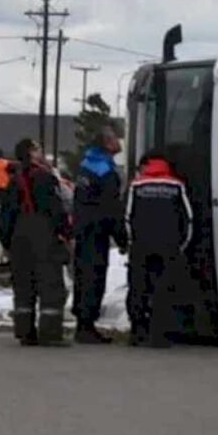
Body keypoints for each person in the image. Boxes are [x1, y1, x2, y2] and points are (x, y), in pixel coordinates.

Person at [0, 138, 71, 347]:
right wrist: (65, 233)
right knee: (50, 287)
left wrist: (6, 242)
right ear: (31, 153)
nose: (41, 152)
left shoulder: (14, 180)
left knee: (23, 287)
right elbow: (56, 209)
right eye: (38, 149)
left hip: (19, 239)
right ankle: (50, 333)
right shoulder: (46, 178)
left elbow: (6, 216)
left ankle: (24, 331)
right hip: (43, 238)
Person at [125, 151, 193, 348]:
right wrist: (181, 244)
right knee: (164, 289)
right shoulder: (176, 185)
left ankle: (138, 332)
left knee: (138, 287)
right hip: (169, 245)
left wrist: (131, 241)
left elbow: (128, 216)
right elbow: (188, 218)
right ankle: (159, 334)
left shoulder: (136, 185)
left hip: (141, 245)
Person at [71, 125, 126, 344]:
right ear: (106, 144)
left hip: (83, 228)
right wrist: (121, 237)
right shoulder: (106, 172)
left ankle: (82, 323)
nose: (118, 141)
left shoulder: (86, 166)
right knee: (94, 277)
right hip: (97, 231)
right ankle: (87, 325)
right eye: (113, 138)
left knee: (82, 276)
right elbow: (111, 208)